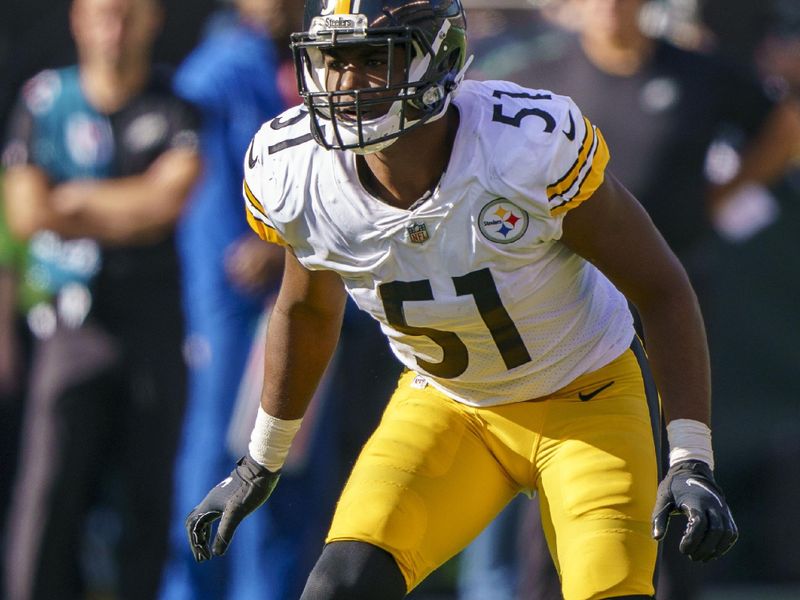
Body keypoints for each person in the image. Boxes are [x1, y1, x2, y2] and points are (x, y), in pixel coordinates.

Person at [184, 1, 738, 599]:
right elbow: (307, 308)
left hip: (588, 399)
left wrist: (691, 456)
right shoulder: (298, 171)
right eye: (334, 59)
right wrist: (259, 460)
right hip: (449, 406)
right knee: (338, 587)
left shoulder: (522, 147)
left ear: (437, 57)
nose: (347, 82)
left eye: (375, 58)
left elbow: (660, 285)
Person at [0, 0, 201, 597]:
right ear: (79, 20)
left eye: (129, 15)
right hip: (70, 327)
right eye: (104, 14)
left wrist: (73, 202)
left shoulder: (176, 104)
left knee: (149, 498)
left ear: (153, 21)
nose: (115, 30)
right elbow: (26, 211)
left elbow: (163, 205)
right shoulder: (45, 100)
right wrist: (124, 202)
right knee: (50, 494)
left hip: (155, 324)